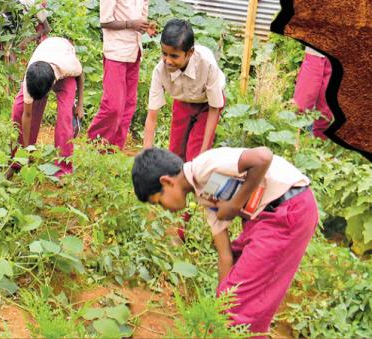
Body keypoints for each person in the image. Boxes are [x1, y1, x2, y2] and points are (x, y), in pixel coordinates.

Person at [131, 147, 318, 335]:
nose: (164, 209)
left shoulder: (205, 166)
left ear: (167, 182)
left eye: (159, 202)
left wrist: (234, 204)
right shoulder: (205, 196)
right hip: (266, 219)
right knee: (232, 295)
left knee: (239, 310)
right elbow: (225, 256)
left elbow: (263, 157)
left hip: (288, 211)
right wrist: (221, 303)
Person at [142, 19, 225, 162]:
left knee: (195, 155)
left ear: (190, 52)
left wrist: (203, 154)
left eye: (174, 56)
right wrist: (146, 157)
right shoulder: (160, 71)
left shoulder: (207, 65)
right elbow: (152, 116)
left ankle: (194, 179)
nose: (167, 60)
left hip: (207, 105)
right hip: (182, 102)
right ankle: (177, 181)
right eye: (164, 53)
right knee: (175, 153)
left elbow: (214, 108)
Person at [9, 36, 84, 177]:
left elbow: (80, 75)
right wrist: (26, 149)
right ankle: (18, 161)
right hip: (45, 56)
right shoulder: (31, 77)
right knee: (18, 109)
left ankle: (63, 170)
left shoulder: (68, 66)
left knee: (65, 119)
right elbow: (27, 114)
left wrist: (80, 105)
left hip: (63, 65)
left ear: (51, 86)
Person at [87, 0, 151, 150]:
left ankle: (114, 150)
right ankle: (94, 143)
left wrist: (145, 26)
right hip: (116, 51)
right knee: (113, 106)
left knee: (129, 105)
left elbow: (142, 19)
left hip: (135, 50)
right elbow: (105, 21)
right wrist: (130, 24)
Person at [293, 46, 333, 139]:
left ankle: (317, 147)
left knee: (326, 113)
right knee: (301, 105)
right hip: (315, 54)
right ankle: (292, 145)